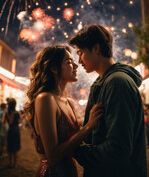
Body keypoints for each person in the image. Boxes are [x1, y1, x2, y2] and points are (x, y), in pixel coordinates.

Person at [69, 24, 147, 177]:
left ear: (96, 48)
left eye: (81, 53)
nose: (79, 60)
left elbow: (118, 148)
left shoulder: (116, 83)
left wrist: (80, 152)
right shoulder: (106, 81)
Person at [24, 44, 103, 177]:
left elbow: (76, 141)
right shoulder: (45, 99)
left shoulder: (69, 102)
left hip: (70, 171)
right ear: (54, 68)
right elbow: (53, 155)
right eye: (69, 62)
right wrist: (88, 126)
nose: (76, 66)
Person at [2, 98, 21, 168]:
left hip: (10, 131)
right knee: (15, 148)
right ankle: (15, 164)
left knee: (9, 148)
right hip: (16, 131)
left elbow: (3, 122)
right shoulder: (17, 113)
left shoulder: (6, 113)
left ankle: (10, 163)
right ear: (15, 105)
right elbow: (20, 122)